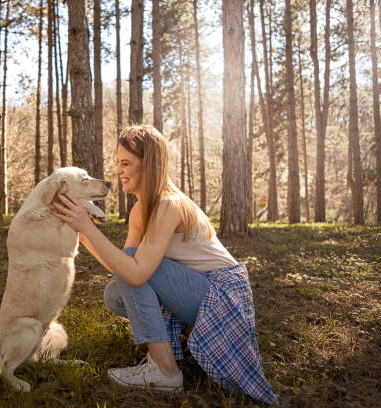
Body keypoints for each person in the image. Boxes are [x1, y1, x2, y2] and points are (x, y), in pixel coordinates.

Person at [51, 125, 277, 404]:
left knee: (134, 267)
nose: (119, 171)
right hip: (197, 291)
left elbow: (135, 272)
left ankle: (165, 371)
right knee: (115, 293)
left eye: (126, 163)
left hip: (224, 297)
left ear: (150, 164)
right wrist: (85, 235)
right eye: (118, 163)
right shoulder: (140, 210)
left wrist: (89, 226)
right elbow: (123, 269)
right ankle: (190, 340)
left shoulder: (169, 204)